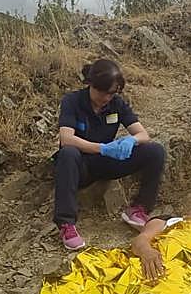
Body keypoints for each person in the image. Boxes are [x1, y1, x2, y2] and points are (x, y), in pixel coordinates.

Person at [54, 58, 166, 250]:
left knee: (155, 151)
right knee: (67, 153)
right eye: (103, 92)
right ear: (91, 84)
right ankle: (66, 224)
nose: (106, 98)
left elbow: (143, 134)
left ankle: (138, 209)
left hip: (107, 163)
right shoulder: (72, 102)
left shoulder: (116, 104)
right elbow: (67, 138)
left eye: (112, 93)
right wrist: (102, 148)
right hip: (81, 166)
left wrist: (131, 141)